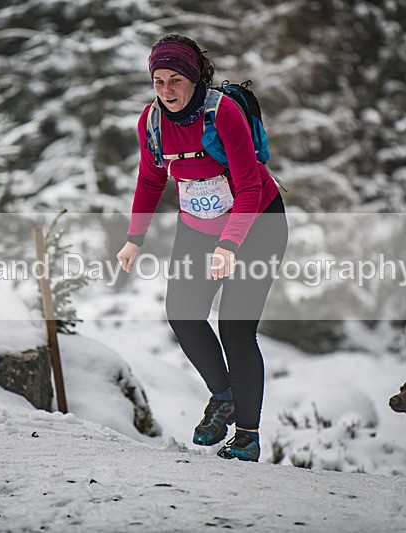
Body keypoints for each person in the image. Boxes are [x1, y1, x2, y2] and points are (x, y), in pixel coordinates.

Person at [116, 34, 287, 462]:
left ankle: (247, 436)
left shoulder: (221, 114)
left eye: (175, 80)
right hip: (198, 229)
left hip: (258, 224)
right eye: (158, 81)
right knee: (183, 314)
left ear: (194, 79)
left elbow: (249, 185)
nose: (167, 91)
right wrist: (134, 238)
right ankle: (224, 395)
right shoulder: (151, 123)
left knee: (236, 329)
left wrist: (230, 245)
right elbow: (151, 179)